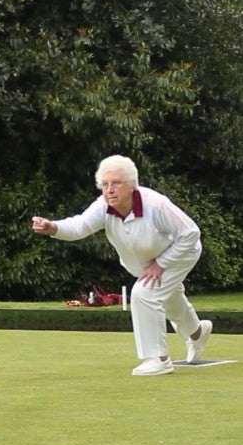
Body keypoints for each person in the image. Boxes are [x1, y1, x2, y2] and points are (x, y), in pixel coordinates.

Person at [31, 155, 212, 376]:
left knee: (144, 293)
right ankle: (196, 333)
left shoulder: (156, 204)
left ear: (132, 184)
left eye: (116, 183)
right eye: (105, 185)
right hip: (145, 263)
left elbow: (190, 233)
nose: (109, 190)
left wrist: (162, 264)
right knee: (169, 297)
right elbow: (80, 225)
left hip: (181, 253)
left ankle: (158, 359)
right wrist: (53, 227)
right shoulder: (103, 207)